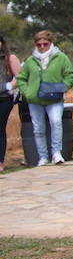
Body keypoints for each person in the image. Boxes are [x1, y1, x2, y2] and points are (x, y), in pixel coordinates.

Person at [15, 30, 73, 166]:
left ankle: (56, 153)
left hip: (54, 98)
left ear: (50, 43)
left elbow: (69, 73)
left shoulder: (61, 57)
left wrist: (64, 87)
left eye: (45, 44)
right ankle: (42, 156)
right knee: (38, 128)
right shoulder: (30, 60)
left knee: (56, 122)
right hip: (35, 99)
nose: (42, 47)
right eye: (39, 44)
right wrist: (27, 92)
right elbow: (21, 78)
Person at [0, 34, 22, 172]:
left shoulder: (9, 58)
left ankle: (0, 161)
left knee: (0, 129)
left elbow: (20, 77)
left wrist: (8, 86)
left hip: (3, 99)